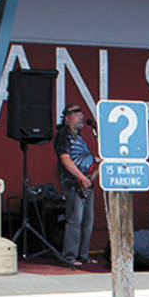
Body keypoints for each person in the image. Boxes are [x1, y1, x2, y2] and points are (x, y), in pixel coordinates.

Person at [53, 105, 97, 266]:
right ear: (67, 118)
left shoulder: (79, 137)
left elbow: (82, 157)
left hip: (87, 182)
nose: (80, 118)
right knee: (75, 220)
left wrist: (96, 160)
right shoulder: (63, 136)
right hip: (73, 184)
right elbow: (65, 159)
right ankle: (70, 256)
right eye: (76, 115)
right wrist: (81, 178)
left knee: (88, 220)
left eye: (81, 115)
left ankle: (83, 255)